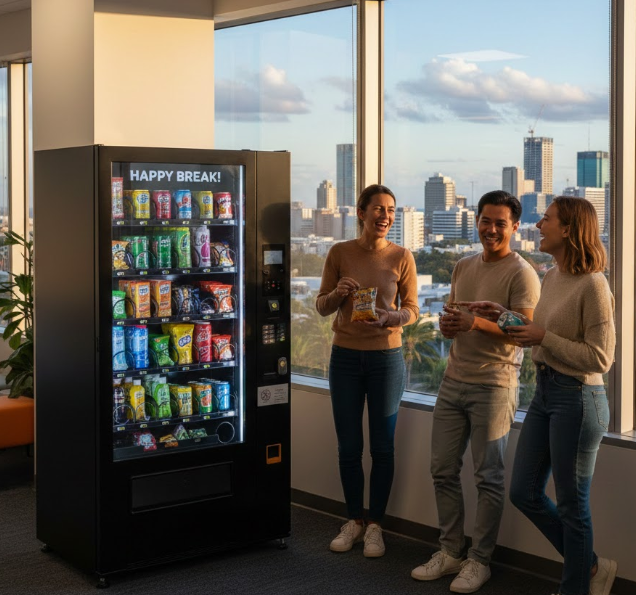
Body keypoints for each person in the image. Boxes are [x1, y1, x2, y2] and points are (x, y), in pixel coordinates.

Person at [469, 197, 616, 595]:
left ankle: (576, 587)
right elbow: (540, 331)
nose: (537, 224)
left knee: (572, 505)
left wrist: (542, 336)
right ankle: (590, 567)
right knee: (524, 492)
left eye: (546, 219)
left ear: (568, 230)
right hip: (546, 392)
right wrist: (502, 315)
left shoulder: (594, 285)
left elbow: (601, 357)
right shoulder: (552, 275)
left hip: (579, 398)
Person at [411, 190, 540, 593]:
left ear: (515, 227)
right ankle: (451, 551)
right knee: (442, 469)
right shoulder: (463, 265)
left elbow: (523, 333)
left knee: (489, 477)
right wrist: (450, 326)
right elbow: (455, 316)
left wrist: (473, 324)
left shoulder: (523, 273)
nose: (491, 229)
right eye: (486, 220)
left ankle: (479, 560)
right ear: (477, 221)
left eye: (500, 223)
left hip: (495, 384)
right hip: (453, 380)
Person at [316, 184, 419, 558]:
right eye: (378, 209)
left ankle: (375, 525)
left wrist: (393, 317)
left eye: (391, 210)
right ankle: (353, 521)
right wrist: (340, 293)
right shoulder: (339, 253)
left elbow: (413, 309)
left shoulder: (402, 256)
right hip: (344, 357)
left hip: (386, 360)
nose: (385, 216)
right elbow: (322, 307)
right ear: (361, 213)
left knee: (382, 448)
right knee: (349, 446)